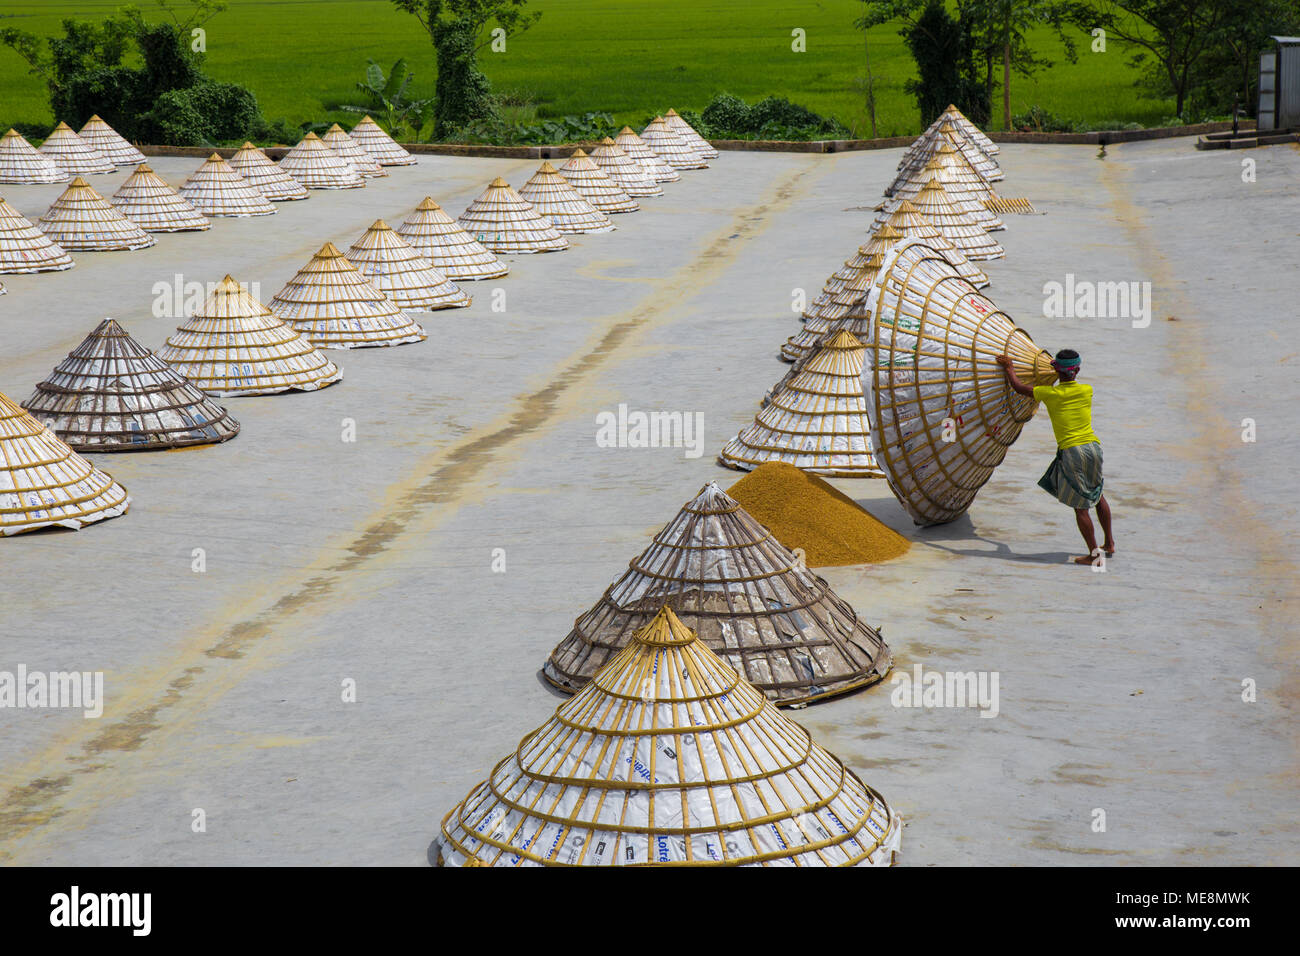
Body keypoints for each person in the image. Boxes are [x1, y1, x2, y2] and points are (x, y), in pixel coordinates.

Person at [996, 349, 1114, 564]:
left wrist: (1009, 368)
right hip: (1093, 447)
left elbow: (1019, 387)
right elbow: (1067, 375)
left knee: (1081, 507)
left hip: (1073, 451)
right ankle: (1110, 543)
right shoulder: (1087, 390)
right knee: (1098, 495)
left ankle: (1094, 556)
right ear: (1077, 370)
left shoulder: (1049, 393)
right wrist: (1060, 368)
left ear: (1056, 370)